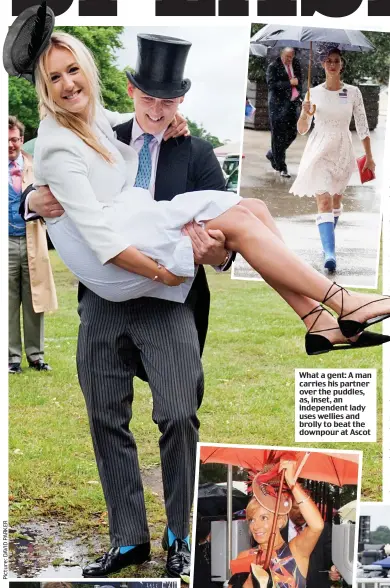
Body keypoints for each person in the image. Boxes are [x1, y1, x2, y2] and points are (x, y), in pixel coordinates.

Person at [8, 24, 390, 579]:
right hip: (106, 295)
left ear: (181, 99)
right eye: (150, 97)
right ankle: (128, 540)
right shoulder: (98, 127)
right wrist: (31, 196)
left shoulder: (198, 153)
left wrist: (212, 254)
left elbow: (229, 251)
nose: (160, 109)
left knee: (178, 414)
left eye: (171, 100)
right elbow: (56, 178)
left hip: (167, 299)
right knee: (104, 416)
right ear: (133, 91)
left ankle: (179, 534)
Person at [290, 46, 376, 272]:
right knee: (324, 201)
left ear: (341, 65)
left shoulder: (353, 92)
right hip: (318, 149)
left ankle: (327, 238)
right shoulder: (313, 93)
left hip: (342, 150)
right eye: (328, 61)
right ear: (322, 64)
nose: (332, 64)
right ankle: (330, 253)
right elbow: (302, 129)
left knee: (336, 201)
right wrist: (305, 113)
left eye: (336, 61)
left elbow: (362, 125)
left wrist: (369, 156)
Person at [8, 115, 57, 374]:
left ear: (22, 140)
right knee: (7, 300)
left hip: (32, 240)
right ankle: (11, 358)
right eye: (6, 141)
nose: (10, 145)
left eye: (14, 140)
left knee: (34, 298)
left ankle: (35, 356)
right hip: (5, 242)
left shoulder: (35, 167)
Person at [229, 460, 324, 588]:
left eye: (264, 518)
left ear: (279, 521)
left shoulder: (295, 551)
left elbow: (317, 526)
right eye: (252, 519)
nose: (255, 526)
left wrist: (292, 484)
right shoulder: (245, 556)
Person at [281, 498, 341, 587]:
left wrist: (333, 570)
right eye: (296, 508)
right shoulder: (278, 528)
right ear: (288, 508)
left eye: (304, 508)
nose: (301, 512)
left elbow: (331, 559)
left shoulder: (323, 529)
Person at [266, 47, 302, 178]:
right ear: (281, 55)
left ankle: (273, 154)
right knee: (278, 137)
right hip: (277, 106)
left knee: (292, 133)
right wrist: (289, 83)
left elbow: (300, 81)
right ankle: (281, 167)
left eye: (291, 57)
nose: (289, 59)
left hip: (292, 104)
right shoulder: (273, 66)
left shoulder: (296, 64)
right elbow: (271, 85)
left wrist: (299, 94)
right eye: (287, 56)